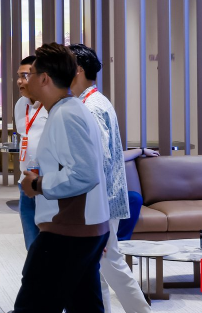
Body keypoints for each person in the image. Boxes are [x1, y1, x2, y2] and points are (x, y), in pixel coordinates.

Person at [13, 43, 110, 313]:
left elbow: (84, 173)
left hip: (68, 231)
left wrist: (37, 184)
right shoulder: (68, 109)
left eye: (30, 74)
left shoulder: (67, 114)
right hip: (80, 229)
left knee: (32, 305)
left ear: (44, 78)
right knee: (85, 306)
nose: (24, 80)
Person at [69, 43, 153, 313]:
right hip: (102, 201)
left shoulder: (91, 107)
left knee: (111, 263)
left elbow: (99, 160)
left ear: (78, 70)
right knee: (99, 268)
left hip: (100, 203)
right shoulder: (93, 102)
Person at [13, 56, 49, 251]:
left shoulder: (53, 106)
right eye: (18, 76)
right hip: (25, 181)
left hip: (47, 184)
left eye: (25, 76)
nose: (20, 81)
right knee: (31, 243)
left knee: (48, 243)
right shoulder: (21, 105)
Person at [118, 147, 159, 241]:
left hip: (113, 195)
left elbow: (120, 156)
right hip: (95, 196)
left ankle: (121, 242)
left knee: (135, 198)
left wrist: (142, 150)